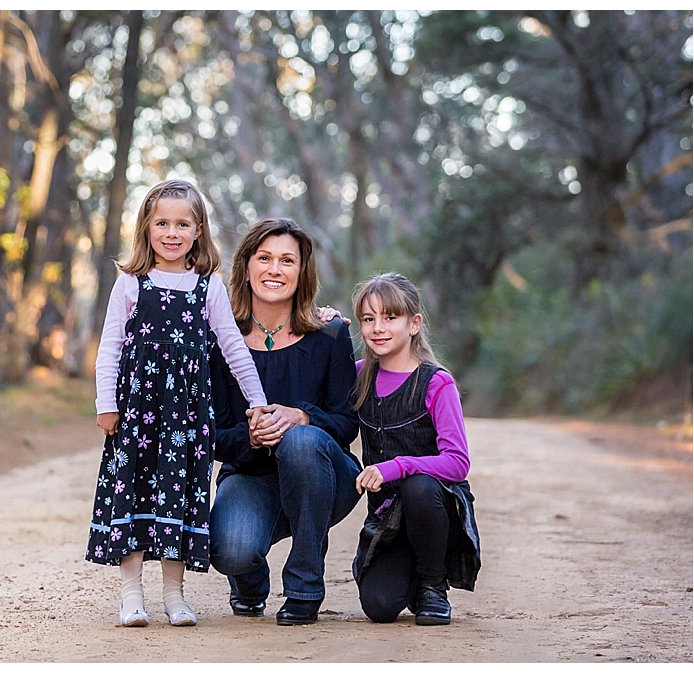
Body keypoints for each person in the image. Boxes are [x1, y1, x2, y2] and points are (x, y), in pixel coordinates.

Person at [85, 179, 267, 628]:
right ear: (146, 228)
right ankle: (131, 596)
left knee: (179, 496)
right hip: (135, 412)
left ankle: (174, 595)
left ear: (198, 230)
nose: (171, 232)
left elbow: (232, 347)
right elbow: (109, 347)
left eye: (182, 223)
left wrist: (258, 402)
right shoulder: (130, 283)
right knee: (132, 493)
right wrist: (105, 403)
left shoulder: (209, 287)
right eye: (162, 222)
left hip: (186, 416)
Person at [209, 217, 362, 626]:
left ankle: (304, 587)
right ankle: (250, 582)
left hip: (324, 473)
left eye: (287, 261)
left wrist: (302, 417)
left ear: (302, 271)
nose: (274, 270)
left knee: (300, 440)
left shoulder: (329, 334)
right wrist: (253, 437)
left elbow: (348, 423)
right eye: (264, 258)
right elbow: (214, 436)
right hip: (252, 476)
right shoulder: (218, 340)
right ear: (245, 267)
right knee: (232, 549)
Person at [349, 272, 481, 626]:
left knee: (418, 485)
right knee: (379, 606)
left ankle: (433, 584)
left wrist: (397, 466)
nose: (378, 327)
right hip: (389, 521)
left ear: (414, 324)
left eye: (390, 317)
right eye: (368, 319)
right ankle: (407, 575)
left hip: (436, 512)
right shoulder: (358, 376)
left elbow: (457, 463)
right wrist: (325, 327)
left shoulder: (436, 382)